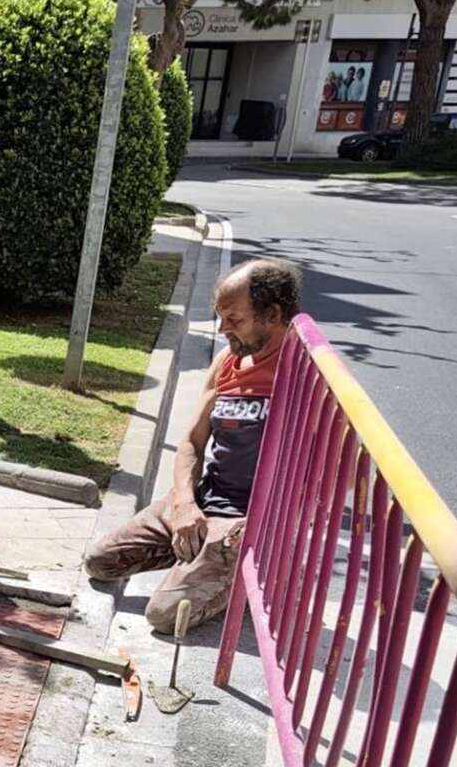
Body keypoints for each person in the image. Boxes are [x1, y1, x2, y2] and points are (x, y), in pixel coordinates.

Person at [84, 258, 302, 633]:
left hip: (247, 519)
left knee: (165, 616)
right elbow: (191, 442)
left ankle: (243, 569)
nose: (222, 329)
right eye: (220, 316)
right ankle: (201, 557)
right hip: (203, 501)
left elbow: (341, 474)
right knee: (100, 561)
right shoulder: (228, 362)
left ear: (273, 314)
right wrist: (184, 504)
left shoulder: (306, 371)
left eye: (234, 319)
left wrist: (266, 522)